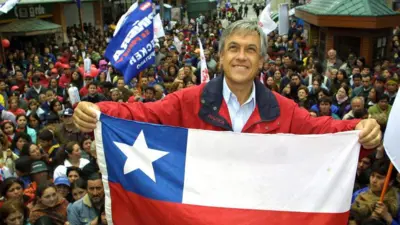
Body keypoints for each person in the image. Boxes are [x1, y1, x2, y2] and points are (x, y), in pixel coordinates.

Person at [73, 20, 381, 150]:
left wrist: (360, 130)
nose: (241, 57)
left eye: (250, 50)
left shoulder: (283, 109)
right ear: (221, 56)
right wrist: (98, 111)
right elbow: (144, 114)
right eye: (234, 48)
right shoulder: (187, 101)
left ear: (261, 61)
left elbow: (321, 132)